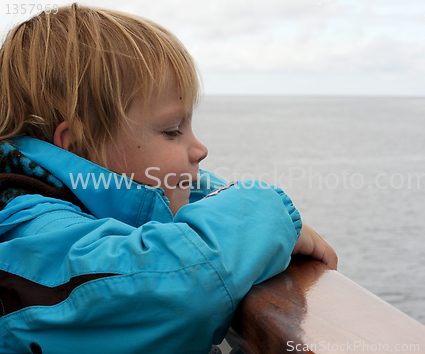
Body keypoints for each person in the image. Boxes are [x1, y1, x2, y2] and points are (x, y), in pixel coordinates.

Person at [0, 4, 337, 354]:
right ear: (79, 145)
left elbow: (172, 199)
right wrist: (267, 218)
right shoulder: (27, 231)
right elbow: (172, 287)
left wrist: (245, 218)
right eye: (172, 130)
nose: (200, 148)